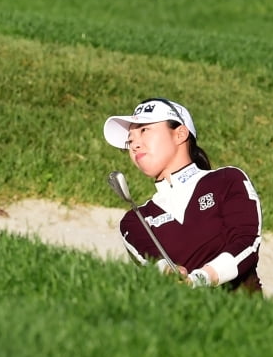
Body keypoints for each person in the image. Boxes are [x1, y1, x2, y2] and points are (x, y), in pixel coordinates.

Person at [103, 98, 263, 294]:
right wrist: (168, 274)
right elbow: (154, 265)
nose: (134, 145)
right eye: (130, 139)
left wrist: (202, 277)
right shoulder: (135, 220)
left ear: (180, 134)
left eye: (144, 130)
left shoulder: (226, 180)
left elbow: (246, 243)